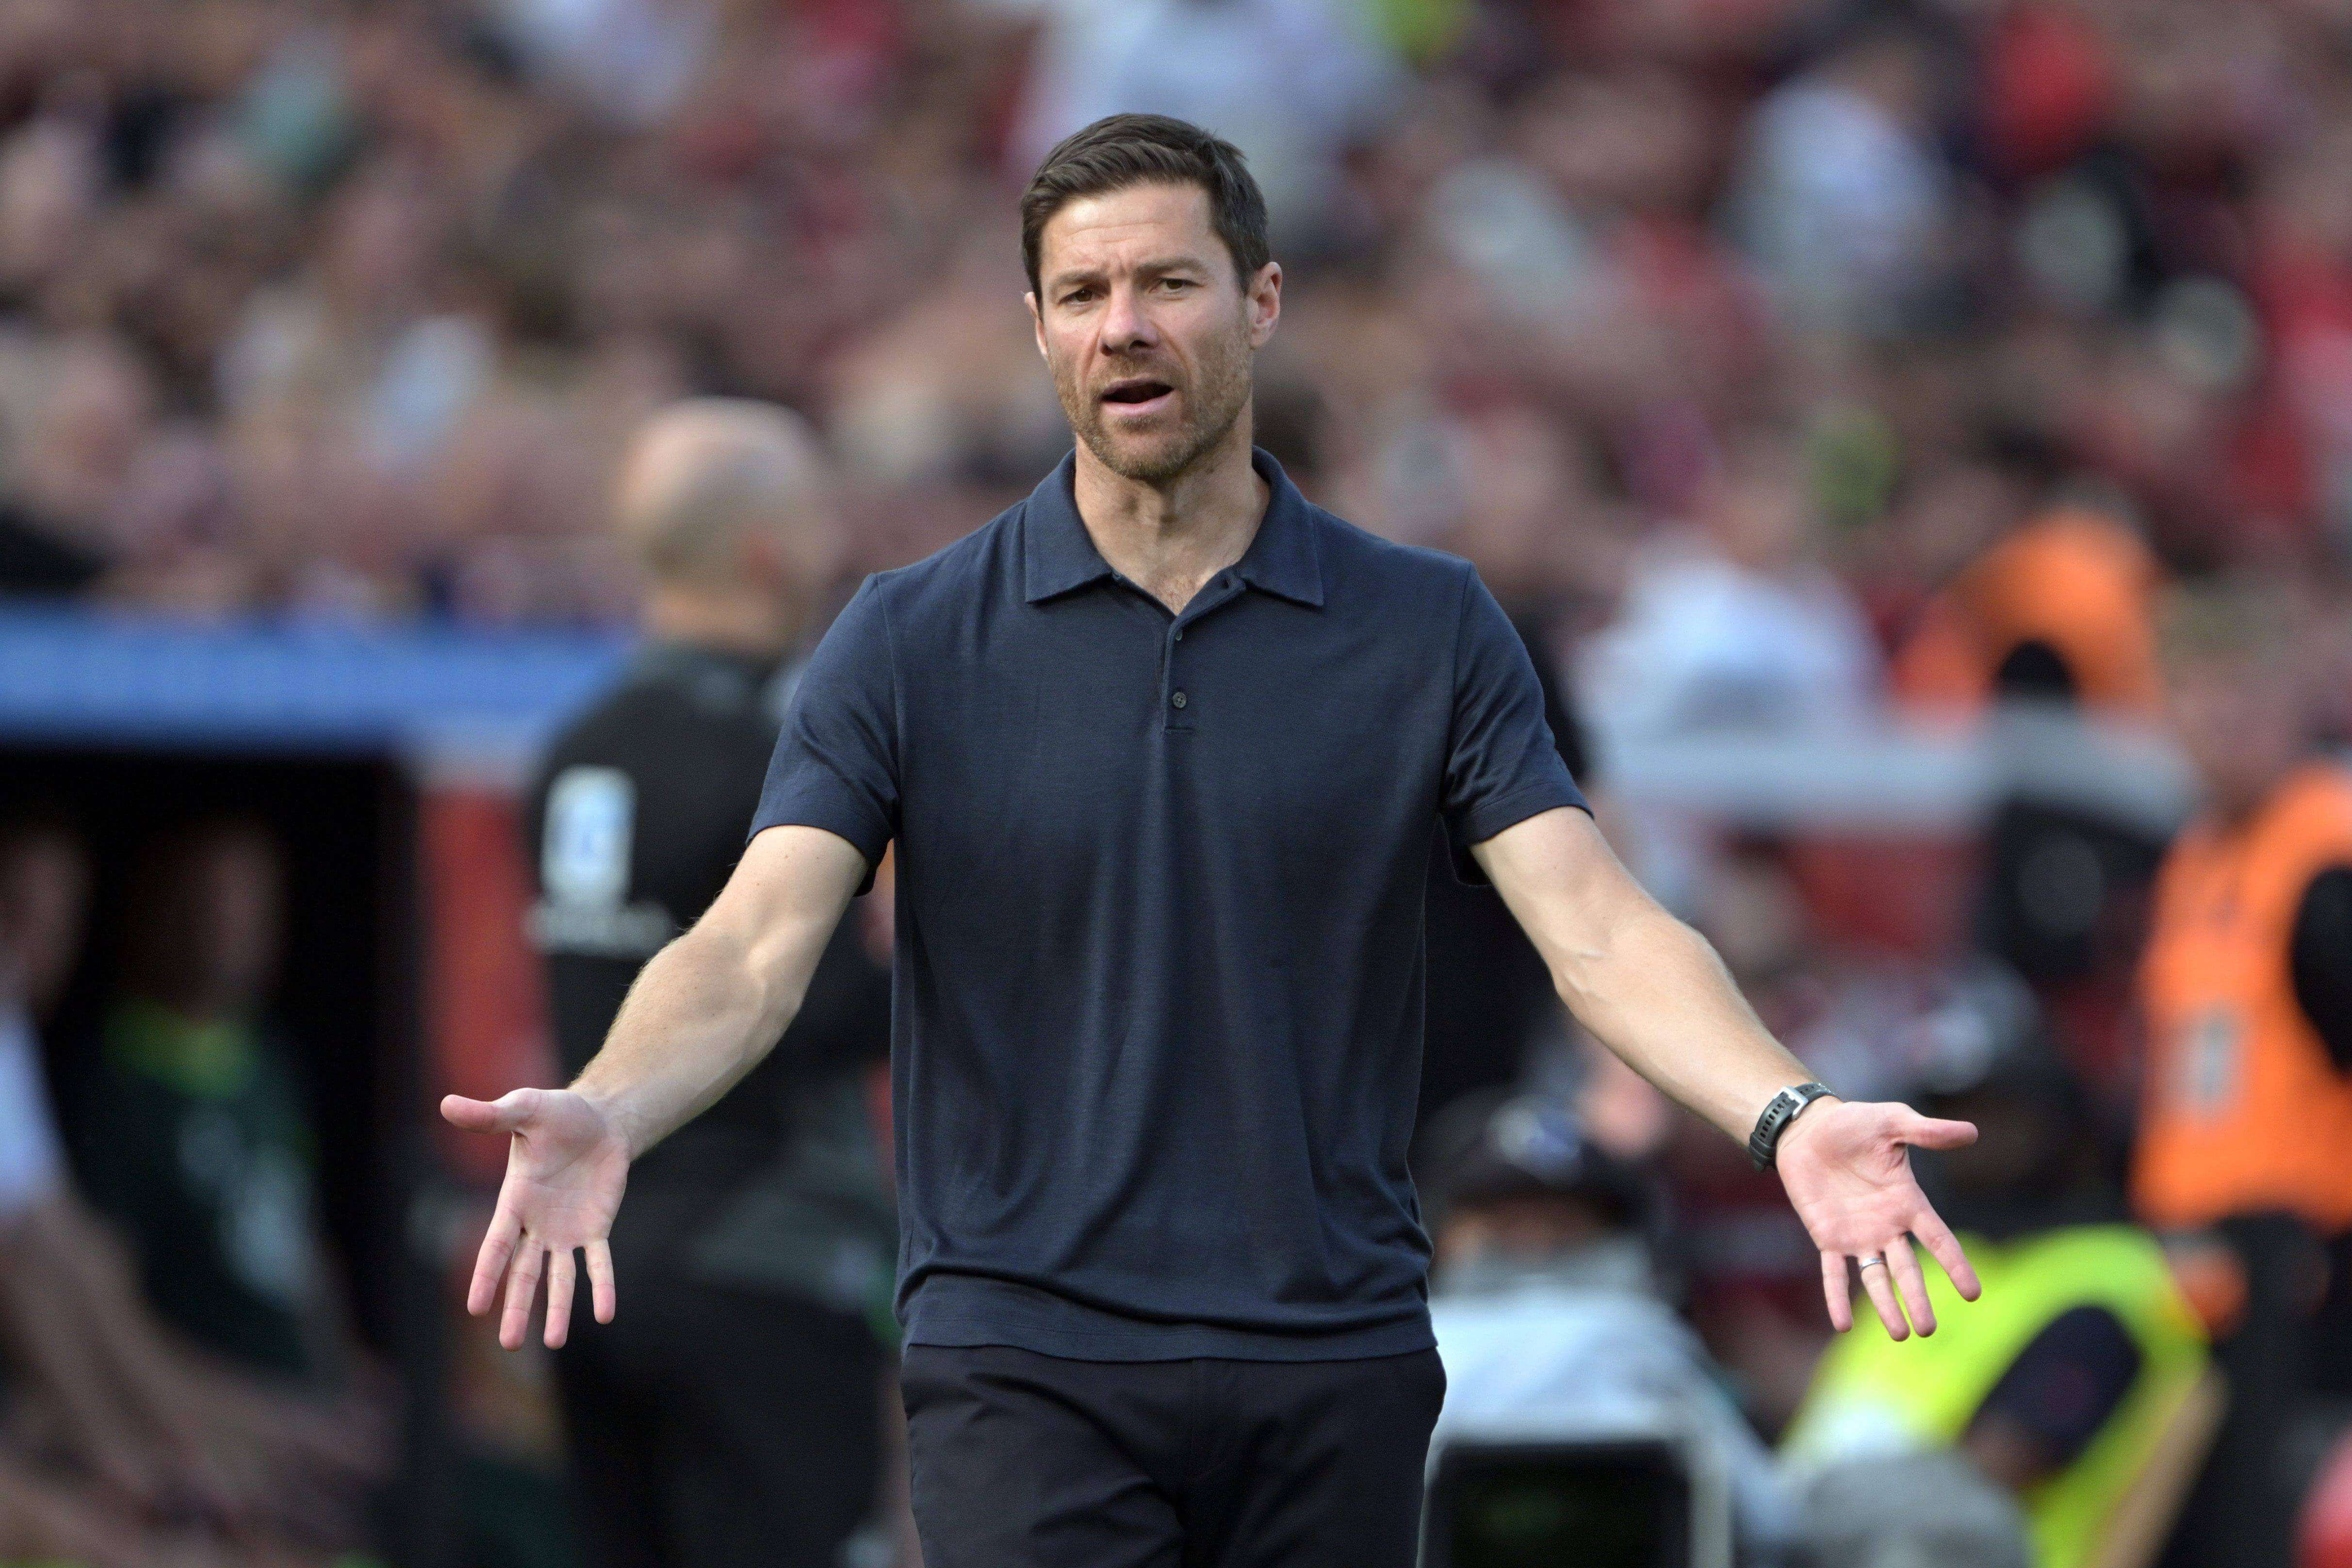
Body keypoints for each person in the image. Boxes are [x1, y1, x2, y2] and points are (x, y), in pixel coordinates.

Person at [444, 114, 1984, 1568]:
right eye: (1081, 293)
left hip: (1335, 1355)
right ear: (1039, 330)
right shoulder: (906, 638)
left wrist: (1785, 1114)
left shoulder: (1426, 626)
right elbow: (752, 941)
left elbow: (1594, 924)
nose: (1122, 323)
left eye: (1165, 282)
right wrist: (612, 1103)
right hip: (1021, 1358)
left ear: (1256, 303)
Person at [520, 398, 899, 1568]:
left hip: (593, 1266)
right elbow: (815, 1010)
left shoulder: (574, 745)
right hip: (768, 1259)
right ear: (768, 551)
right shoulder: (786, 750)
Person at [1782, 1014, 2216, 1568]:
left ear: (2062, 1125)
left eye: (1995, 1114)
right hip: (1829, 1539)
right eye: (1948, 1112)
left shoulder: (2105, 1287)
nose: (1963, 1137)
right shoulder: (1942, 1255)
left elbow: (1985, 1479)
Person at [2130, 577, 2352, 1568]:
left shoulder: (2327, 852)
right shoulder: (2199, 854)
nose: (2223, 723)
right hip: (2203, 1258)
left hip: (2310, 1258)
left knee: (2280, 1524)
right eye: (2199, 695)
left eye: (2244, 695)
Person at [1420, 1091, 1796, 1560]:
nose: (1536, 1252)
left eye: (1564, 1229)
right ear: (1441, 1237)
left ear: (1623, 1243)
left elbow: (1768, 1522)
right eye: (1505, 1230)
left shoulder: (1649, 1342)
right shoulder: (1403, 1351)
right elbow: (1776, 1522)